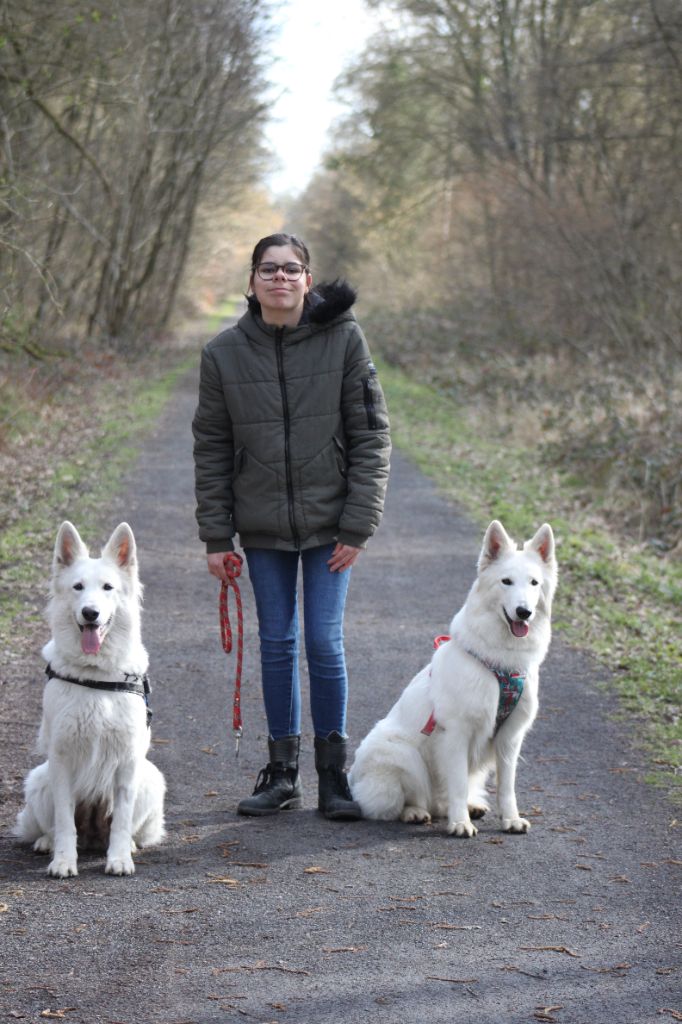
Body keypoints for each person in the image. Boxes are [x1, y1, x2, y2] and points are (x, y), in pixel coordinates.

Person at [192, 232, 391, 820]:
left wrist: (358, 526)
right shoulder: (223, 353)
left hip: (332, 525)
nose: (280, 278)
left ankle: (334, 776)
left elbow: (371, 435)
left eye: (291, 269)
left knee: (324, 642)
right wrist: (215, 537)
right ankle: (282, 775)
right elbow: (211, 447)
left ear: (308, 278)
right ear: (251, 281)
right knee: (277, 644)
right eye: (268, 269)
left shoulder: (344, 339)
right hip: (260, 528)